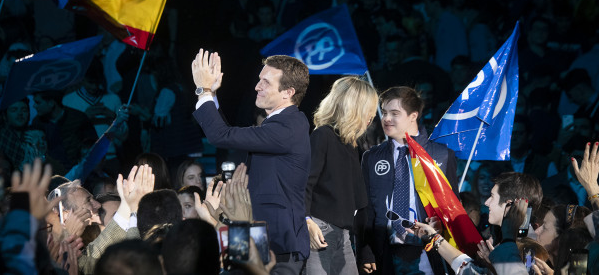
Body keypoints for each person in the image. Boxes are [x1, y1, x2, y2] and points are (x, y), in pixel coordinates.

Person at [192, 49, 311, 274]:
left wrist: (203, 90)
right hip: (250, 231)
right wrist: (212, 96)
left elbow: (221, 136)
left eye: (265, 82)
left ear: (288, 92)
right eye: (259, 80)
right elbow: (226, 134)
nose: (257, 87)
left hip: (276, 241)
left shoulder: (288, 127)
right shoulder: (280, 124)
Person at [357, 86, 458, 274]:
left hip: (428, 251)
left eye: (395, 113)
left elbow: (453, 209)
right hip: (384, 251)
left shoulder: (442, 155)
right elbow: (366, 209)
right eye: (384, 112)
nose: (386, 119)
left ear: (414, 116)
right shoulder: (372, 157)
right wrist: (366, 250)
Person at [305, 76, 378, 275]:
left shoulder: (351, 145)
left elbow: (360, 202)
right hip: (319, 231)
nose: (371, 117)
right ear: (354, 107)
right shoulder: (323, 135)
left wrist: (365, 250)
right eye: (368, 110)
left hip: (343, 236)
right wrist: (306, 221)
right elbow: (305, 184)